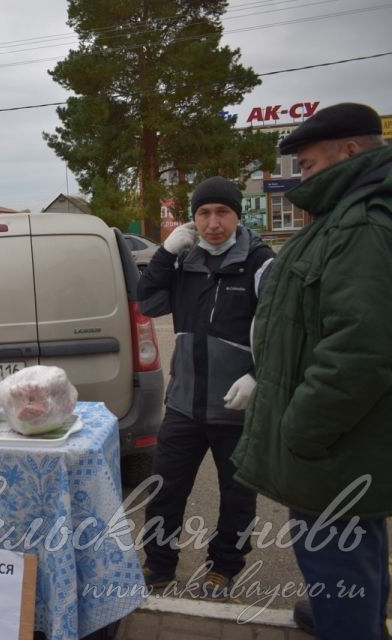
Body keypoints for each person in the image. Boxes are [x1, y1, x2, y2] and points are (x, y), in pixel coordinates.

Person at [232, 102, 391, 640]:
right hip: (345, 444)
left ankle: (349, 625)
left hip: (335, 443)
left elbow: (361, 349)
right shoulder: (343, 217)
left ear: (349, 150)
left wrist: (304, 427)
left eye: (306, 163)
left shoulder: (361, 225)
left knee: (337, 548)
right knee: (355, 543)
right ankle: (346, 618)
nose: (300, 175)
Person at [137, 176, 275, 599]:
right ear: (194, 219)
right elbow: (147, 301)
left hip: (236, 409)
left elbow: (284, 331)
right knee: (164, 491)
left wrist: (258, 375)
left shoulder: (260, 263)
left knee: (236, 499)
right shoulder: (185, 262)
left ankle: (223, 569)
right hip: (184, 406)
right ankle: (159, 569)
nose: (214, 222)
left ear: (237, 215)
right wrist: (165, 252)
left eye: (223, 212)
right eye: (204, 213)